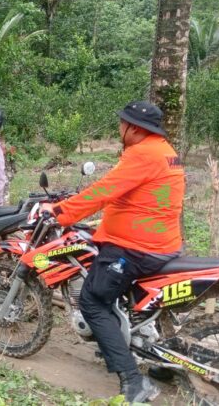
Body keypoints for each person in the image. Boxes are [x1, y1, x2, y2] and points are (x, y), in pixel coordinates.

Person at [41, 101, 184, 404]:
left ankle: (133, 382)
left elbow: (105, 190)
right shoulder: (166, 151)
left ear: (134, 127)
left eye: (121, 123)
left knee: (93, 301)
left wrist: (59, 210)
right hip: (162, 242)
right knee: (139, 304)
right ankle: (164, 363)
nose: (118, 128)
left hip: (136, 247)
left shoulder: (143, 153)